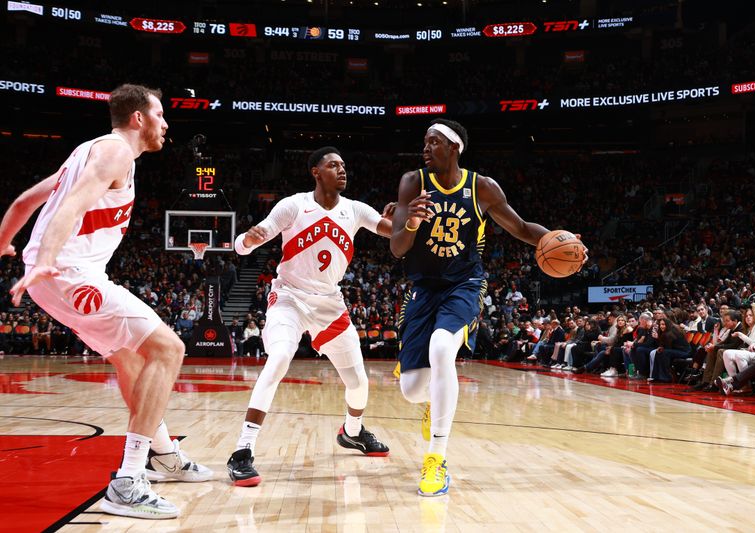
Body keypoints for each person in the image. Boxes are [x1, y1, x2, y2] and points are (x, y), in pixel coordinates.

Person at [0, 84, 211, 519]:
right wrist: (46, 261)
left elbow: (23, 203)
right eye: (160, 114)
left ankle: (164, 455)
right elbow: (73, 205)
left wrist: (5, 246)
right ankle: (128, 481)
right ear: (138, 119)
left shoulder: (85, 153)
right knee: (168, 348)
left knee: (130, 362)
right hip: (68, 275)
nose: (166, 124)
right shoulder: (115, 152)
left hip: (60, 277)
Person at [390, 119, 586, 496]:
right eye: (424, 142)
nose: (425, 148)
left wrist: (561, 239)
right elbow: (398, 247)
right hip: (423, 287)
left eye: (433, 142)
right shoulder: (412, 182)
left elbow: (522, 228)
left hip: (464, 284)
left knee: (442, 348)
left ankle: (436, 459)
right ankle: (433, 403)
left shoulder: (481, 187)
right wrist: (412, 221)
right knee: (413, 390)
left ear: (454, 147)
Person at [226, 146, 393, 487]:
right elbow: (247, 242)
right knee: (279, 359)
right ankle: (242, 451)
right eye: (334, 165)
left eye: (344, 165)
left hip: (329, 304)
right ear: (316, 172)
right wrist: (247, 240)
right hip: (289, 297)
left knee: (359, 384)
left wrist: (410, 220)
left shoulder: (355, 209)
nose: (342, 169)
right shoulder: (294, 204)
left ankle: (352, 432)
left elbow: (392, 231)